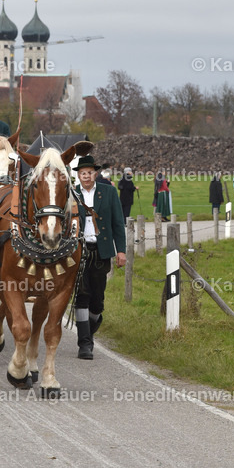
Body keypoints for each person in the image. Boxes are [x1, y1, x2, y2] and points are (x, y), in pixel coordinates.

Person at [73, 153, 127, 360]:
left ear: (95, 174)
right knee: (82, 296)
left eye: (89, 172)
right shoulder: (71, 193)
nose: (86, 176)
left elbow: (117, 223)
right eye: (82, 173)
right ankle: (85, 344)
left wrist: (120, 251)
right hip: (78, 251)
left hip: (101, 251)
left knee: (97, 301)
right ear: (78, 175)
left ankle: (88, 329)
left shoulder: (109, 192)